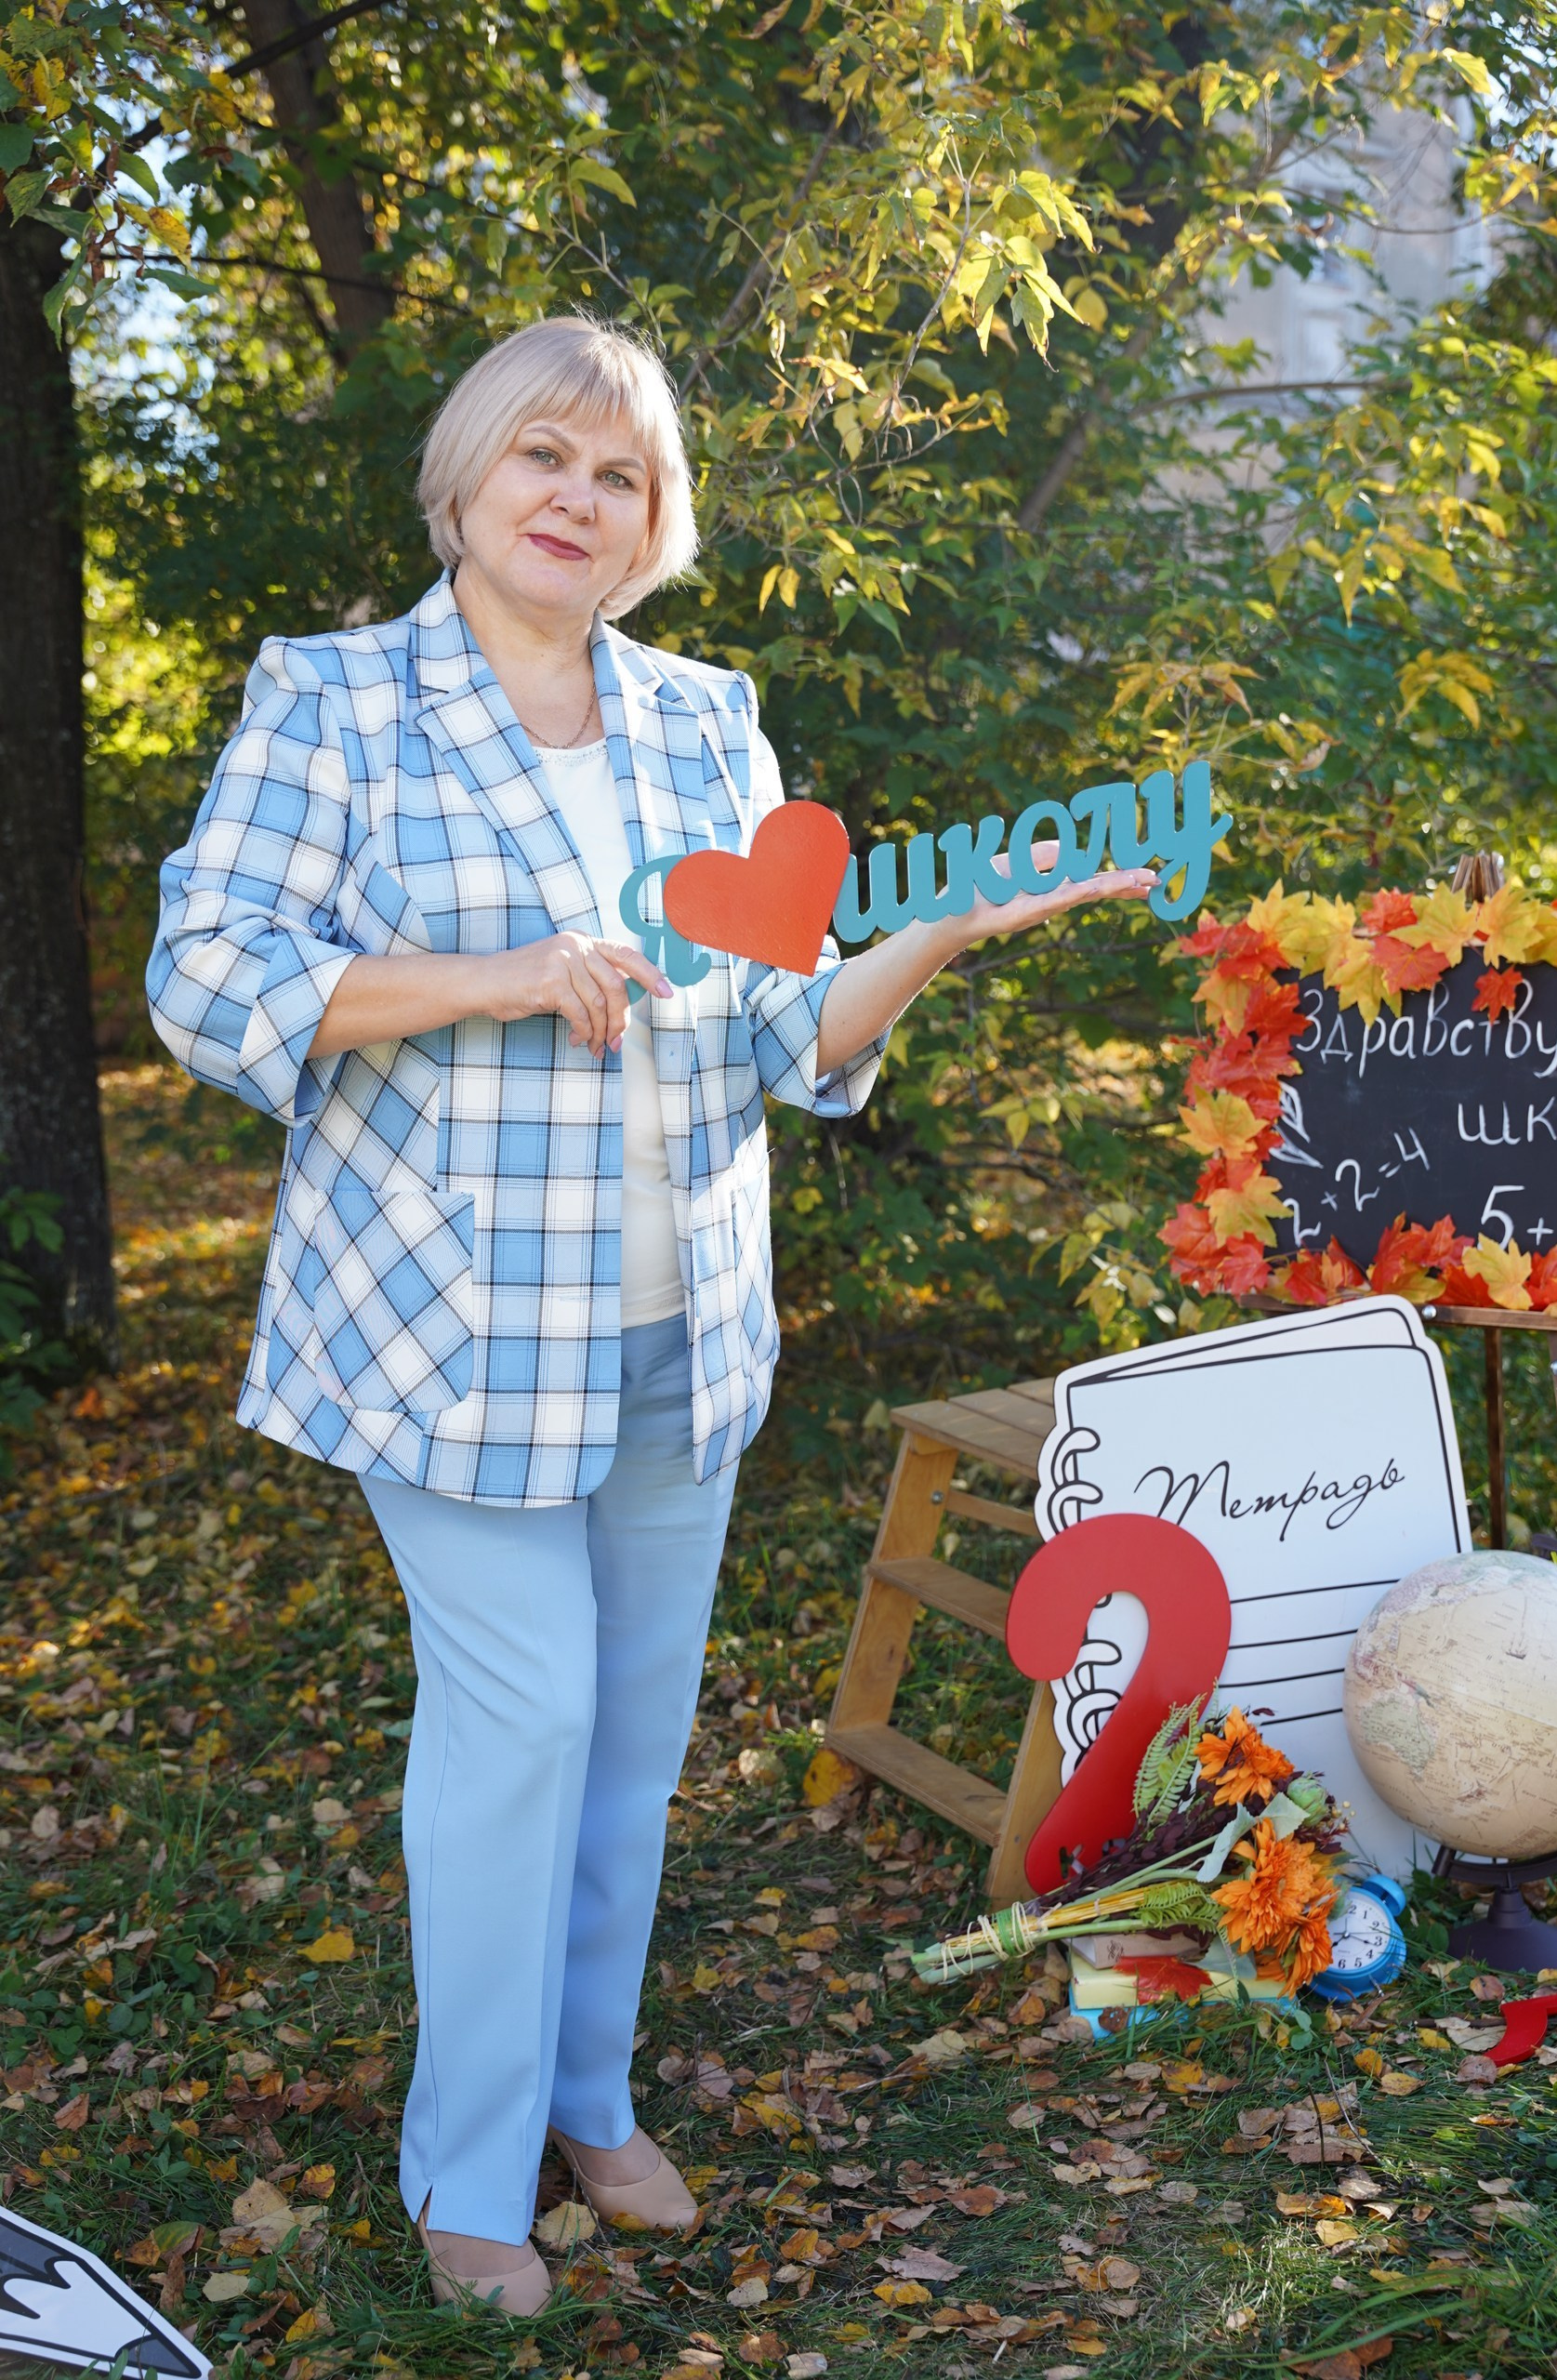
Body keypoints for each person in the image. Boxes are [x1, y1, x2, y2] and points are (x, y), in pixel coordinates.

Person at [146, 316, 1155, 2314]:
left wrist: (942, 929)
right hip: (443, 1336)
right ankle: (466, 2168)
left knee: (627, 1737)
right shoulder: (339, 703)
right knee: (522, 1715)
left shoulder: (705, 726)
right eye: (543, 455)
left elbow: (785, 1031)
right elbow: (208, 975)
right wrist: (495, 972)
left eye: (618, 474)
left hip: (677, 1326)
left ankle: (591, 2097)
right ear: (465, 477)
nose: (576, 498)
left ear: (652, 520)